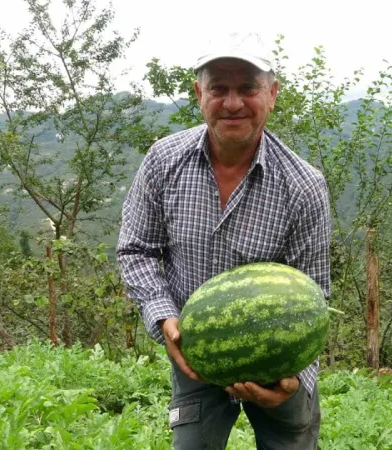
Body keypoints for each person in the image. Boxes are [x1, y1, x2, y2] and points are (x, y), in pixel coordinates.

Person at [116, 31, 332, 450]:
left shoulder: (304, 186)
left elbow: (313, 293)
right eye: (219, 88)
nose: (233, 102)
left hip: (275, 359)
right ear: (199, 93)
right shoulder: (163, 161)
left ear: (272, 95)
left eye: (248, 88)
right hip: (193, 351)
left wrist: (293, 379)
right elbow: (136, 249)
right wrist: (165, 321)